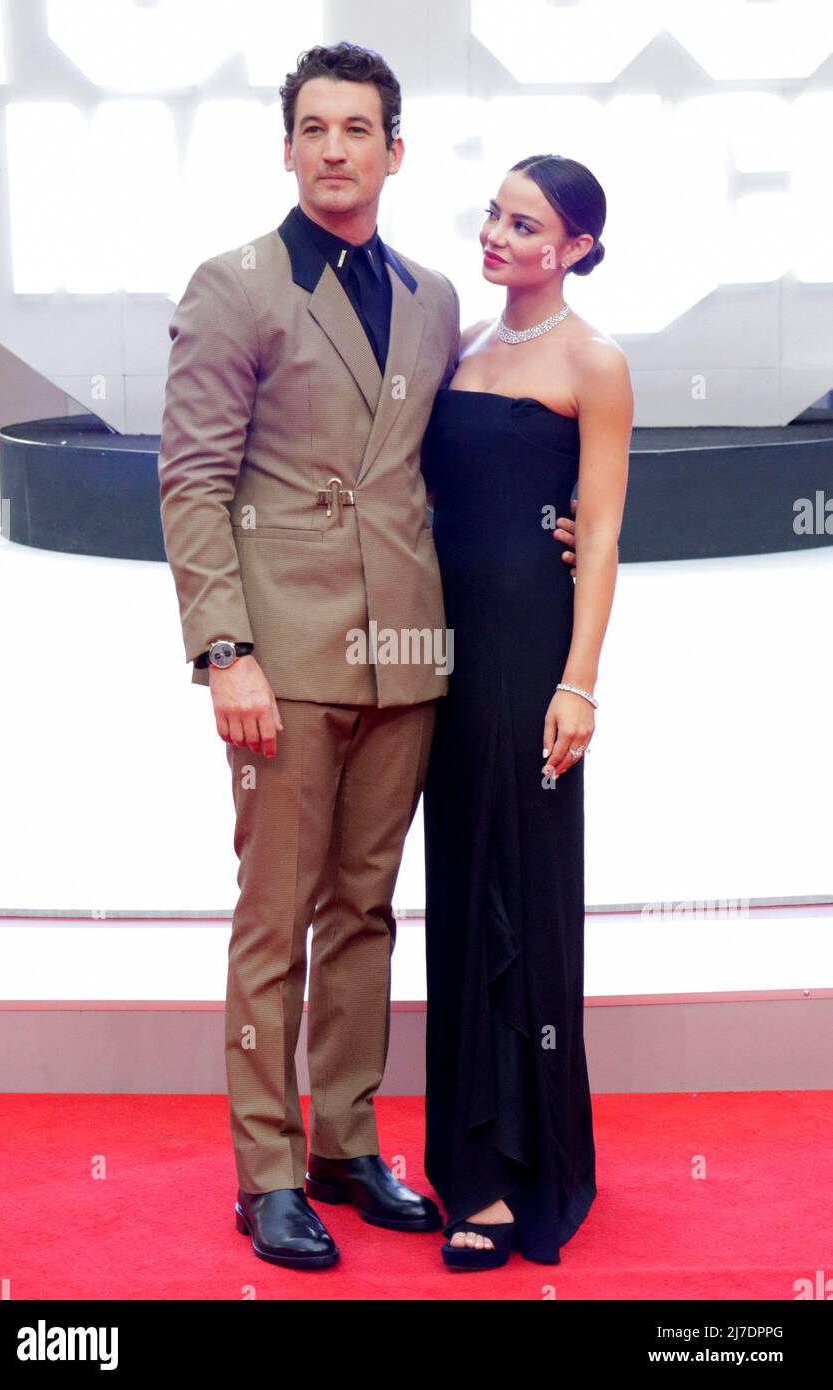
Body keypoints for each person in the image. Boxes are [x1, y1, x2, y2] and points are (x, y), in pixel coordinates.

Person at [157, 41, 581, 1271]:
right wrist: (222, 649)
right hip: (280, 659)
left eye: (358, 129)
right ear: (286, 147)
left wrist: (545, 531)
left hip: (410, 656)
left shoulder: (436, 297)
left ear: (395, 150)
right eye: (313, 128)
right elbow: (191, 484)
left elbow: (448, 462)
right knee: (272, 917)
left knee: (363, 915)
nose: (334, 148)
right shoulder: (231, 286)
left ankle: (345, 1143)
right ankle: (268, 1171)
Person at [421, 154, 632, 1269]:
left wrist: (578, 679)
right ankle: (461, 1155)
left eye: (524, 223)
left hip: (527, 658)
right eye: (494, 215)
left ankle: (514, 1172)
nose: (496, 234)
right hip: (439, 664)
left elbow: (595, 534)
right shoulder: (455, 350)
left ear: (577, 246)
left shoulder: (594, 363)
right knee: (459, 889)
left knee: (519, 887)